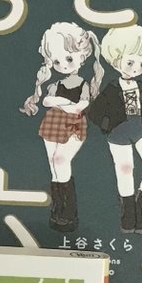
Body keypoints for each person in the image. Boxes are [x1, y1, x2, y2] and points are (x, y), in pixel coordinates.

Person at [20, 22, 104, 233]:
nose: (63, 65)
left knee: (60, 160)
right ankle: (57, 212)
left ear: (82, 56)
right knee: (53, 167)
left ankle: (69, 213)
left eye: (69, 59)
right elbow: (47, 101)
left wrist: (62, 104)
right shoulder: (54, 85)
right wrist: (66, 104)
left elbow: (81, 106)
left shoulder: (84, 84)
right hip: (53, 123)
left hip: (73, 125)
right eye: (57, 61)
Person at [86, 24, 142, 235]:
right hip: (119, 133)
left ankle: (140, 207)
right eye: (130, 62)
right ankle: (129, 217)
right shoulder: (111, 89)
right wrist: (108, 125)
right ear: (116, 59)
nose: (135, 68)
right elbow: (94, 112)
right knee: (124, 171)